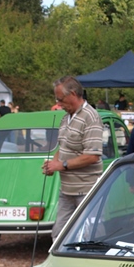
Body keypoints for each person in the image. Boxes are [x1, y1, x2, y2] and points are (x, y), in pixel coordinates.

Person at [40, 76, 104, 234]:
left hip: (86, 190)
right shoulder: (66, 118)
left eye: (61, 99)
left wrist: (61, 165)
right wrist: (52, 164)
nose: (59, 104)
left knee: (91, 235)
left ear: (73, 94)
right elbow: (63, 146)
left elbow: (92, 156)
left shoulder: (91, 117)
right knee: (59, 234)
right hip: (67, 190)